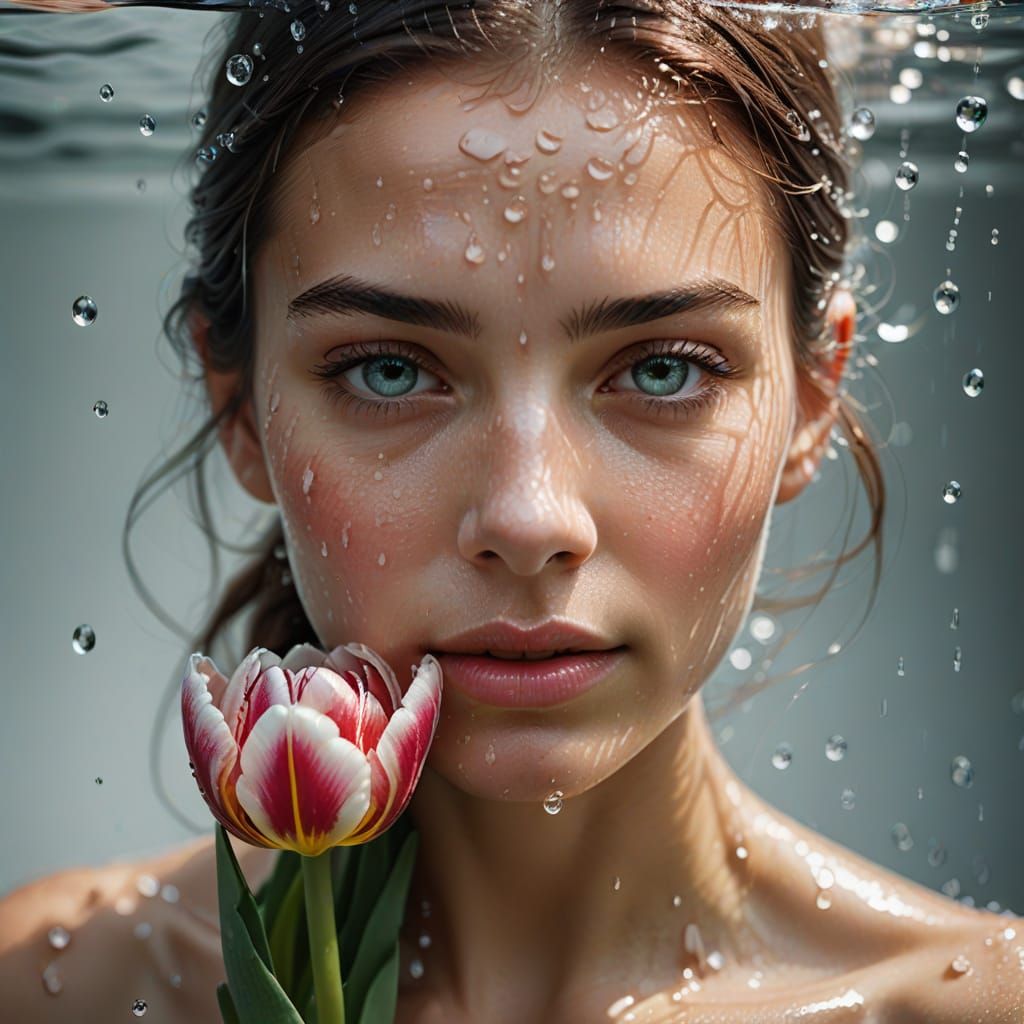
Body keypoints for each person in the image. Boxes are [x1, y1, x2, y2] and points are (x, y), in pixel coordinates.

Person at [2, 1, 1022, 1020]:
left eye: (663, 369)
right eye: (391, 371)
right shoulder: (58, 985)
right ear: (240, 405)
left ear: (810, 395)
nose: (529, 519)